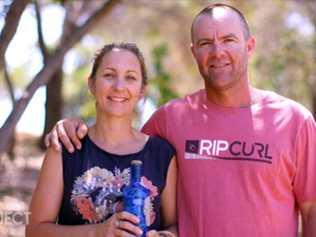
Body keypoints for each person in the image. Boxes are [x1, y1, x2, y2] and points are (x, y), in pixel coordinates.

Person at [44, 3, 316, 237]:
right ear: (193, 51)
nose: (217, 51)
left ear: (250, 45)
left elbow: (312, 208)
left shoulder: (294, 121)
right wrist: (71, 127)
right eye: (205, 43)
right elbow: (118, 143)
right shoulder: (169, 119)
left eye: (229, 40)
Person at [26, 43, 178, 237]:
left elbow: (175, 225)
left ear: (142, 91)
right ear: (91, 84)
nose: (119, 86)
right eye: (109, 75)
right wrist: (98, 232)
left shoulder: (163, 155)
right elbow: (34, 230)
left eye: (130, 77)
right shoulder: (65, 148)